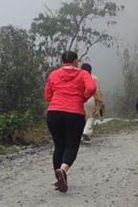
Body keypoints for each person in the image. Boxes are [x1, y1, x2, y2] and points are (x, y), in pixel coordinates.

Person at [44, 51, 97, 192]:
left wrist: (55, 103)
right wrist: (83, 97)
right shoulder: (82, 74)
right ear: (75, 61)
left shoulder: (54, 74)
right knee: (71, 146)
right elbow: (92, 88)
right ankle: (63, 170)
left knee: (59, 146)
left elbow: (47, 94)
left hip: (54, 113)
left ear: (62, 61)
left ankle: (60, 179)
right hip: (74, 113)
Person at [80, 63, 103, 141]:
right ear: (90, 71)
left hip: (80, 99)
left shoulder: (78, 77)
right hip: (92, 99)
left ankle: (80, 133)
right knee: (91, 117)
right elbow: (98, 90)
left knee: (82, 117)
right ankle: (86, 132)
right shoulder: (94, 78)